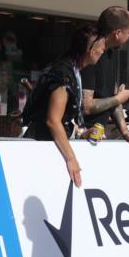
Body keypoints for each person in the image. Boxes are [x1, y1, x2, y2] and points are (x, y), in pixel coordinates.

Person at [22, 24, 106, 187]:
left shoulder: (72, 70)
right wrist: (71, 158)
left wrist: (82, 133)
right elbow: (53, 121)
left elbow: (64, 118)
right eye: (102, 47)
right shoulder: (64, 73)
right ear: (91, 49)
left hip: (49, 145)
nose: (103, 51)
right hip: (41, 147)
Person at [81, 6, 129, 148]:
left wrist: (126, 132)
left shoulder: (112, 53)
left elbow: (113, 98)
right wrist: (119, 98)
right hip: (84, 138)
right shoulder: (92, 56)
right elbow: (86, 106)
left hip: (99, 137)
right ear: (117, 33)